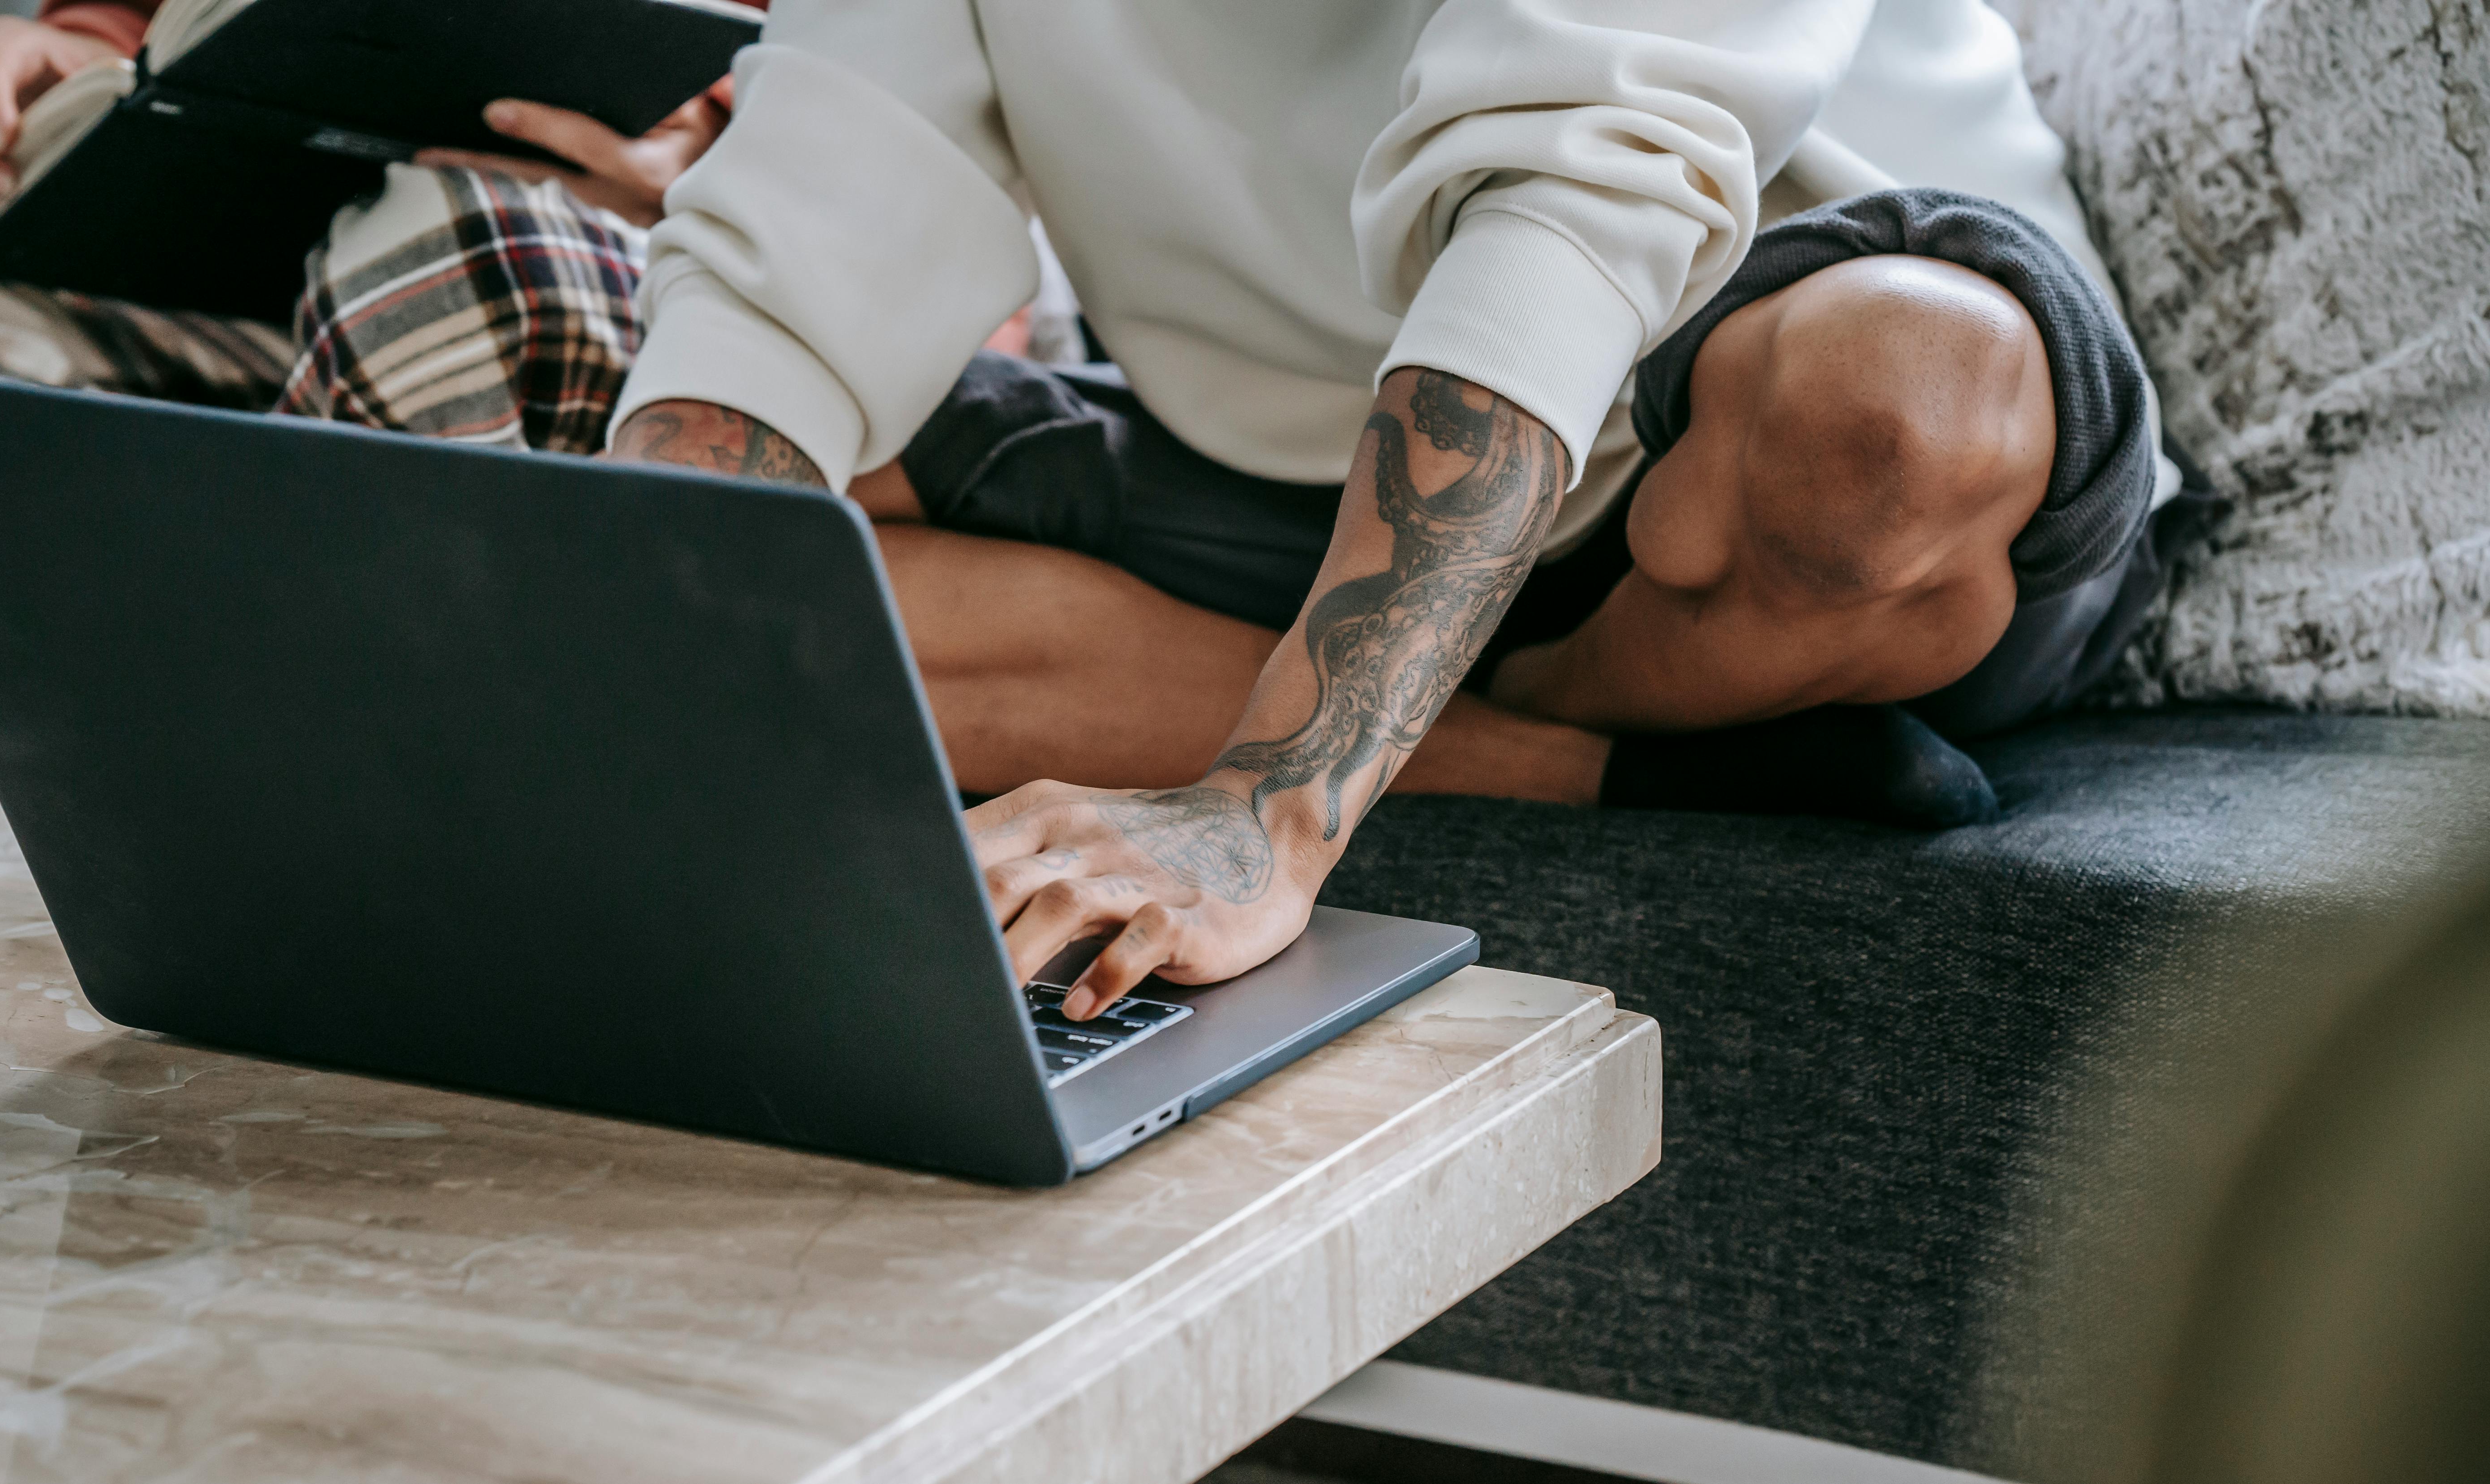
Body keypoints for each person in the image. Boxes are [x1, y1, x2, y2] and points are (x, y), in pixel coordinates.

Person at [594, 0, 2198, 1017]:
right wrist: (616, 684)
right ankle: (1587, 759)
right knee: (787, 586)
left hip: (1761, 459)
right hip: (1291, 467)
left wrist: (1270, 810)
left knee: (1911, 400)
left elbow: (1585, 188)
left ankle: (1495, 705)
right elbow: (806, 240)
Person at [0, 0, 1076, 681]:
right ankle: (235, 653)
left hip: (624, 280)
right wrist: (62, 49)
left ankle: (191, 647)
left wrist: (713, 161)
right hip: (250, 290)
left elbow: (966, 235)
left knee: (442, 245)